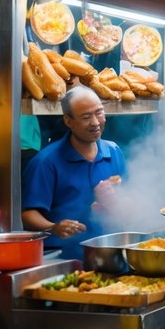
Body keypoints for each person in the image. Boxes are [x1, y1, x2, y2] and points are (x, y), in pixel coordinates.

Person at [22, 87, 128, 261]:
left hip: (110, 252)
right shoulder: (47, 162)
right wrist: (54, 227)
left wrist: (115, 202)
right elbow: (28, 214)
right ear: (68, 121)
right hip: (65, 257)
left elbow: (130, 197)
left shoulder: (114, 151)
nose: (95, 122)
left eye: (99, 113)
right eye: (86, 117)